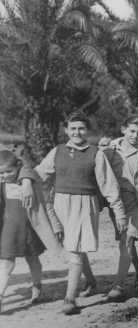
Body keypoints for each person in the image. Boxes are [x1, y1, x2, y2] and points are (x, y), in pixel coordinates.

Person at [35, 112, 127, 315]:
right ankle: (92, 282)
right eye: (73, 128)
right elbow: (39, 173)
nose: (77, 132)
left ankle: (70, 298)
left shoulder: (96, 153)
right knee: (74, 245)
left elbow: (108, 185)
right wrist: (24, 179)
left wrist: (119, 212)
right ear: (66, 130)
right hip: (60, 204)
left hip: (85, 205)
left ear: (87, 131)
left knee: (74, 249)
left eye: (81, 128)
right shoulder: (57, 151)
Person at [0, 151, 63, 313]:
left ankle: (37, 287)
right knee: (7, 263)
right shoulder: (2, 184)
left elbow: (30, 171)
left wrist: (26, 182)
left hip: (29, 228)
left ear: (17, 168)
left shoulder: (27, 179)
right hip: (9, 230)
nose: (5, 175)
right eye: (1, 172)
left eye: (8, 172)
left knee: (33, 258)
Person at [105, 116, 138, 299]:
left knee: (127, 241)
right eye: (132, 131)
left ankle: (118, 285)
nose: (135, 136)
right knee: (124, 240)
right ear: (123, 130)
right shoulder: (111, 150)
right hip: (117, 203)